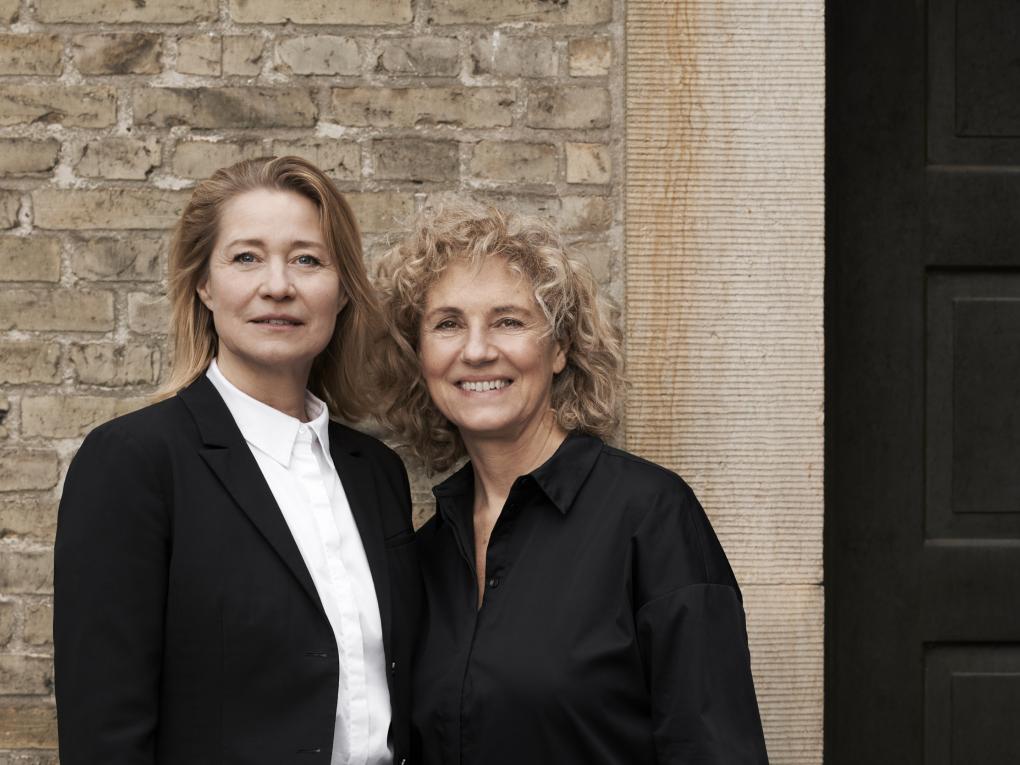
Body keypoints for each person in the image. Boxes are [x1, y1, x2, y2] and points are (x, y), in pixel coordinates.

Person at [54, 156, 421, 765]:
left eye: (308, 259)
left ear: (342, 290)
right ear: (204, 285)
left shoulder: (376, 472)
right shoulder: (135, 463)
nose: (278, 285)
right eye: (246, 257)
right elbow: (104, 731)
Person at [374, 203, 768, 764]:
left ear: (559, 348)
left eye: (509, 321)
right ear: (421, 356)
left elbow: (712, 749)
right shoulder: (425, 552)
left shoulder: (650, 517)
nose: (477, 350)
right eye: (448, 324)